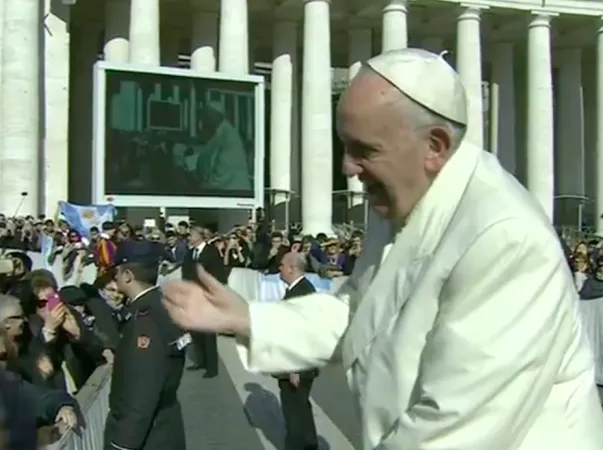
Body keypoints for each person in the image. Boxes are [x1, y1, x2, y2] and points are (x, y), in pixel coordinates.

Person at [161, 48, 603, 449]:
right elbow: (360, 311)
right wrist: (248, 318)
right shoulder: (406, 197)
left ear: (435, 146)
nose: (346, 168)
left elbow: (453, 431)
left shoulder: (507, 240)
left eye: (364, 150)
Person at [104, 240, 187, 450]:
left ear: (127, 276)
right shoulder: (162, 305)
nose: (114, 278)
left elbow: (143, 391)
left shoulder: (145, 320)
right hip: (164, 426)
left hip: (149, 436)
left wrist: (123, 443)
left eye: (117, 272)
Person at [274, 252, 319, 450]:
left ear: (292, 268)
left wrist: (295, 368)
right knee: (302, 408)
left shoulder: (300, 292)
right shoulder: (301, 289)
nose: (279, 268)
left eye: (282, 264)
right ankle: (310, 445)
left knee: (293, 414)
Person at [182, 225, 225, 375]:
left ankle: (212, 367)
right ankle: (201, 360)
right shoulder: (190, 253)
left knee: (208, 334)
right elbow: (185, 273)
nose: (189, 238)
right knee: (196, 332)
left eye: (191, 235)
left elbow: (219, 275)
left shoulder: (212, 252)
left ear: (200, 236)